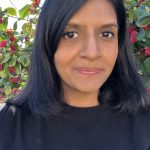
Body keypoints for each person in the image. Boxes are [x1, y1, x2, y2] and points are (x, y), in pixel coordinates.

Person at [0, 0, 150, 149]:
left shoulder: (144, 122)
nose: (92, 53)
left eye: (106, 34)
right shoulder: (10, 125)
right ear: (48, 40)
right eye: (70, 34)